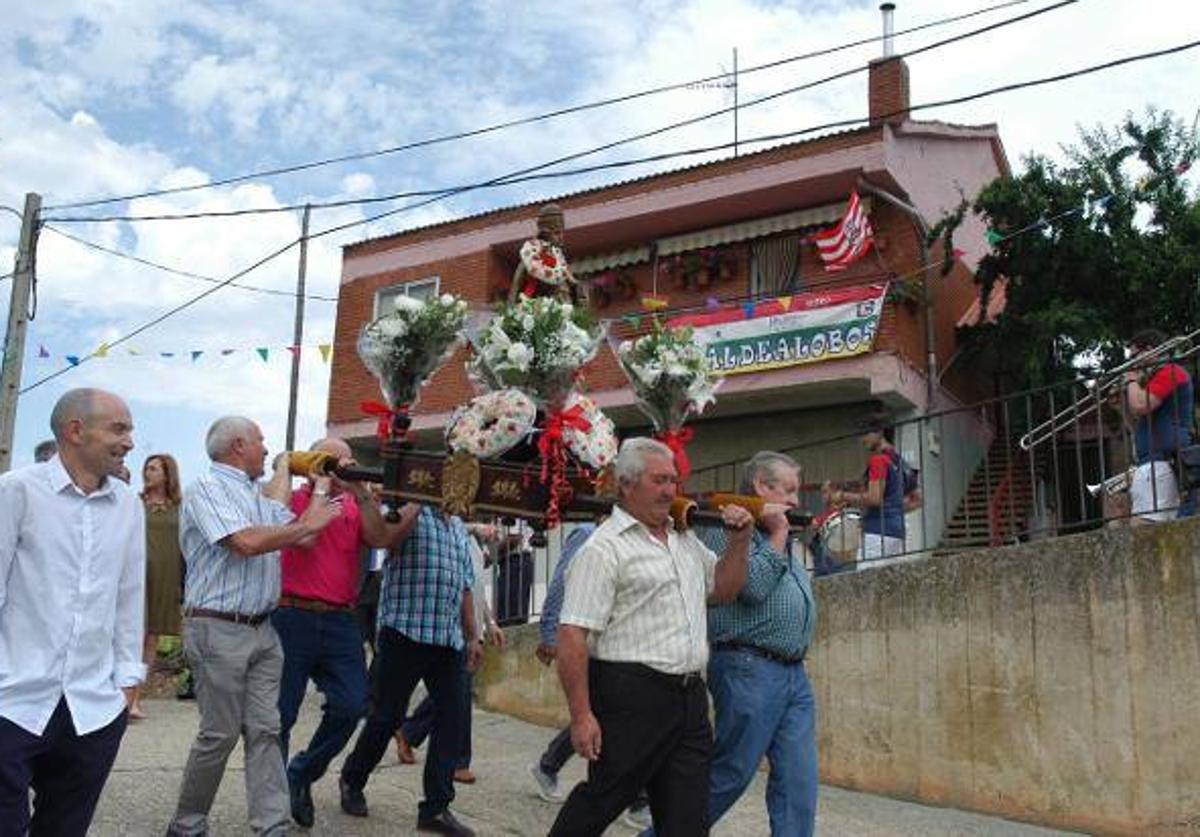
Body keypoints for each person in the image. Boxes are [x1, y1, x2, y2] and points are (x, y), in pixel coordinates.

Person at [549, 438, 756, 837]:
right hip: (630, 698)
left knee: (687, 821)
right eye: (659, 481)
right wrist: (581, 715)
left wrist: (740, 541)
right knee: (601, 801)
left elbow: (725, 590)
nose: (669, 491)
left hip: (690, 699)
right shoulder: (603, 548)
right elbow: (572, 634)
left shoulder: (684, 540)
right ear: (626, 485)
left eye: (673, 481)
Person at [166, 417, 341, 837]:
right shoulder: (207, 489)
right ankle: (186, 826)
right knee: (220, 734)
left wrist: (315, 484)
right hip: (218, 628)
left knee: (266, 730)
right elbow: (245, 543)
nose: (267, 448)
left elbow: (295, 530)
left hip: (263, 630)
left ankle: (272, 826)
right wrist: (305, 524)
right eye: (261, 441)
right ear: (238, 445)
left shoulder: (254, 493)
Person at [0, 388, 144, 835]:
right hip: (12, 699)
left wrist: (126, 681)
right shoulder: (15, 491)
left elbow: (129, 594)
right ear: (75, 431)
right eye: (119, 428)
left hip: (92, 708)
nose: (130, 442)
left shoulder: (127, 505)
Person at [682, 451, 817, 836]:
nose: (796, 501)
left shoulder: (779, 533)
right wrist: (777, 535)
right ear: (761, 485)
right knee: (729, 774)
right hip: (749, 666)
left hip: (792, 673)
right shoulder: (726, 523)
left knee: (798, 782)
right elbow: (752, 587)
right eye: (789, 490)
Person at [275, 437, 407, 828]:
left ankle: (301, 772)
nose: (344, 466)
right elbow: (295, 530)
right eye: (334, 459)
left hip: (339, 619)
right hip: (291, 614)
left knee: (352, 705)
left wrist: (362, 495)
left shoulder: (354, 504)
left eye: (348, 459)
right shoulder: (294, 498)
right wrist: (314, 482)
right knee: (280, 714)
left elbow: (381, 538)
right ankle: (273, 799)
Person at [339, 504, 483, 836]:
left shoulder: (458, 527)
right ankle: (353, 778)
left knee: (453, 719)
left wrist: (473, 636)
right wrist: (418, 500)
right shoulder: (408, 512)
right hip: (404, 631)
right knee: (386, 716)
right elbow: (385, 539)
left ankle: (436, 808)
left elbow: (464, 588)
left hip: (447, 640)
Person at [527, 524, 652, 830]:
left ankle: (549, 765)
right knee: (614, 719)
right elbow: (560, 585)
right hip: (597, 644)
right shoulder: (588, 534)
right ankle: (637, 800)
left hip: (629, 644)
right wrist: (549, 633)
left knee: (610, 717)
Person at [396, 522, 505, 783]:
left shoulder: (473, 546)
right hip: (455, 628)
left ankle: (410, 733)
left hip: (472, 629)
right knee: (458, 695)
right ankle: (457, 760)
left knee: (452, 692)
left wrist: (490, 623)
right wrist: (475, 528)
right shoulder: (454, 535)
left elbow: (475, 586)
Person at [127, 453, 184, 721]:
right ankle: (120, 696)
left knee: (151, 639)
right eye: (146, 468)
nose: (147, 473)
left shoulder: (180, 507)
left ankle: (135, 699)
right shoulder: (133, 503)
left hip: (165, 577)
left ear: (166, 474)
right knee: (130, 636)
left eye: (153, 469)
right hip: (134, 576)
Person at [824, 412, 921, 563]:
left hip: (878, 531)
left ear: (880, 432)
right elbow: (917, 500)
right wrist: (893, 510)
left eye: (865, 433)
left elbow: (874, 498)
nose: (862, 439)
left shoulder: (878, 460)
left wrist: (841, 495)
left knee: (866, 580)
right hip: (898, 531)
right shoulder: (900, 462)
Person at [1123, 329, 1194, 524]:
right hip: (1155, 463)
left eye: (1134, 357)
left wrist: (1130, 379)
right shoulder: (1156, 378)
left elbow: (1140, 405)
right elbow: (1137, 426)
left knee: (1141, 531)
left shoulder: (1170, 372)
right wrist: (1118, 407)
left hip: (1159, 464)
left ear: (1150, 351)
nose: (1131, 363)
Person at [508, 203, 584, 304]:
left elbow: (572, 285)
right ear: (545, 233)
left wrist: (575, 288)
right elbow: (516, 287)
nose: (561, 237)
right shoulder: (531, 255)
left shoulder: (560, 260)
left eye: (562, 232)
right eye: (557, 233)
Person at [493, 518, 534, 626]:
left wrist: (491, 554)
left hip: (516, 561)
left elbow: (515, 538)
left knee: (510, 614)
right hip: (512, 562)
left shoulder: (510, 508)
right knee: (509, 612)